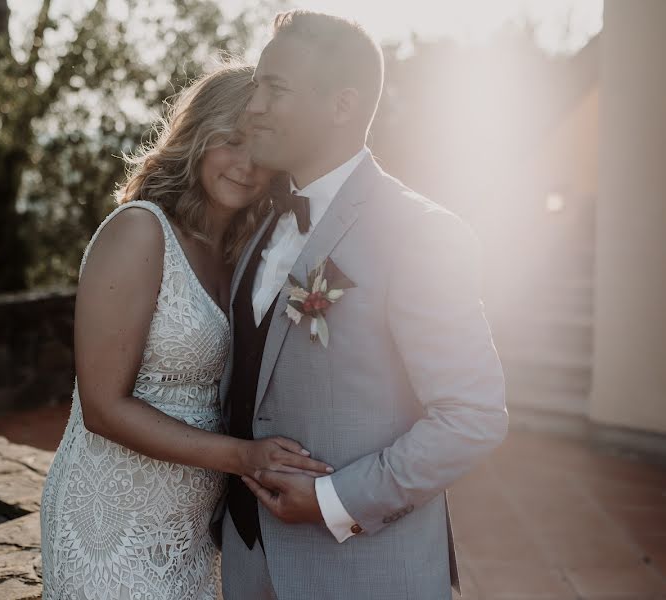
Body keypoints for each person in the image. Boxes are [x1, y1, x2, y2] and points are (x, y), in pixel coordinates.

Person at [215, 11, 509, 599]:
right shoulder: (260, 220)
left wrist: (334, 499)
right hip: (248, 563)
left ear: (342, 106)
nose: (253, 107)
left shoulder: (419, 232)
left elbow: (472, 416)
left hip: (364, 573)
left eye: (276, 88)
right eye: (257, 87)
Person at [39, 64, 334, 600]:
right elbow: (103, 408)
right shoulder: (139, 231)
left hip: (196, 537)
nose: (246, 165)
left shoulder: (250, 255)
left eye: (261, 148)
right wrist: (244, 457)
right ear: (197, 137)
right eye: (229, 140)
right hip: (110, 528)